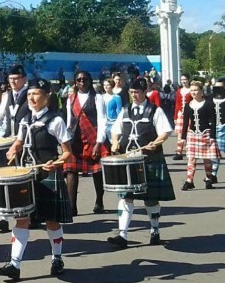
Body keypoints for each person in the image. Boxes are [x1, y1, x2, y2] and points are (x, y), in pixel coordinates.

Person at [0, 78, 72, 281]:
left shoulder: (56, 121)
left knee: (52, 221)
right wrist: (12, 149)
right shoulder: (25, 119)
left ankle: (57, 258)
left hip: (48, 174)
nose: (31, 98)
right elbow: (19, 141)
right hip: (27, 175)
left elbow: (67, 153)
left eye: (35, 94)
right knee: (21, 218)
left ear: (46, 97)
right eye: (29, 95)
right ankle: (14, 264)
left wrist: (56, 163)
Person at [107, 78, 175, 248]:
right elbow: (116, 130)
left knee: (150, 199)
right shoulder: (125, 110)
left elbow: (165, 131)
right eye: (131, 92)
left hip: (149, 159)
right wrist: (115, 142)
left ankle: (155, 230)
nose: (134, 95)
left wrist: (156, 143)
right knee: (125, 197)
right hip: (128, 160)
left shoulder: (154, 110)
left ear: (145, 92)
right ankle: (122, 234)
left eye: (137, 92)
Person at [0, 64, 29, 233]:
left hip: (26, 139)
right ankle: (4, 217)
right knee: (7, 175)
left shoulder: (30, 93)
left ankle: (28, 213)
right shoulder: (8, 95)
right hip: (11, 138)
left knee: (23, 177)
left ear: (23, 79)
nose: (13, 82)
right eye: (10, 79)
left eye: (16, 79)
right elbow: (1, 111)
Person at [64, 70, 107, 215]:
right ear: (75, 82)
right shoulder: (70, 99)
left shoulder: (98, 98)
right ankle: (71, 206)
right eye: (79, 80)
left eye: (85, 79)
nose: (82, 82)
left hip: (93, 137)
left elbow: (102, 120)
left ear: (90, 81)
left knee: (97, 171)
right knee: (71, 171)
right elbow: (69, 122)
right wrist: (65, 140)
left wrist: (99, 142)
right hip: (76, 139)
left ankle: (99, 201)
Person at [180, 81, 218, 190]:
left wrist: (213, 136)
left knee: (207, 159)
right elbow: (186, 122)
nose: (193, 92)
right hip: (192, 134)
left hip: (205, 133)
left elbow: (213, 120)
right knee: (191, 158)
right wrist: (183, 137)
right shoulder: (188, 105)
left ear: (201, 92)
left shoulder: (209, 104)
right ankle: (189, 181)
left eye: (196, 90)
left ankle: (208, 179)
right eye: (191, 90)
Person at [173, 73, 192, 160]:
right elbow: (177, 104)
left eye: (185, 79)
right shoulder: (179, 91)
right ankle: (179, 152)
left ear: (188, 80)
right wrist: (175, 116)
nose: (183, 81)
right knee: (180, 134)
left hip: (190, 114)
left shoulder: (192, 90)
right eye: (182, 80)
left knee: (189, 133)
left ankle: (189, 152)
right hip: (181, 113)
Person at [101, 77, 123, 144]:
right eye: (104, 85)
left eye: (108, 85)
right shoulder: (101, 97)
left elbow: (119, 110)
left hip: (113, 122)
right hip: (104, 122)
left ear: (112, 85)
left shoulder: (117, 97)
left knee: (114, 141)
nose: (106, 87)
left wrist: (119, 122)